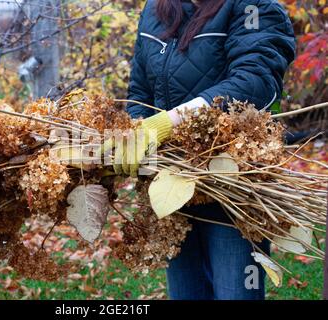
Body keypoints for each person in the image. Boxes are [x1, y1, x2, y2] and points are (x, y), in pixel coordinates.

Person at [105, 0, 296, 300]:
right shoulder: (156, 9)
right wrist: (134, 133)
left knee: (237, 292)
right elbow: (139, 91)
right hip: (171, 184)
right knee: (186, 293)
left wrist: (168, 123)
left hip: (233, 188)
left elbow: (255, 81)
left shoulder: (253, 7)